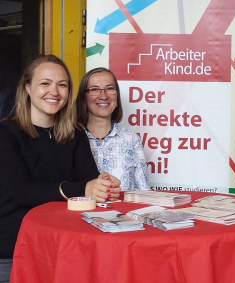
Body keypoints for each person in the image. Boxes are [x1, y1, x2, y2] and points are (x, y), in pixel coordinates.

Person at [0, 55, 121, 282]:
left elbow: (87, 184)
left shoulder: (75, 134)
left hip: (65, 247)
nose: (54, 92)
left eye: (62, 85)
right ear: (27, 87)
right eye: (45, 83)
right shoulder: (6, 134)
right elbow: (22, 191)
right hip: (13, 250)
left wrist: (102, 186)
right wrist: (84, 189)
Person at [76, 67, 149, 191]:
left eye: (110, 89)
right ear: (84, 97)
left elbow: (144, 193)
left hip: (124, 211)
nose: (103, 96)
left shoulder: (131, 139)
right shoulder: (69, 138)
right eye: (95, 89)